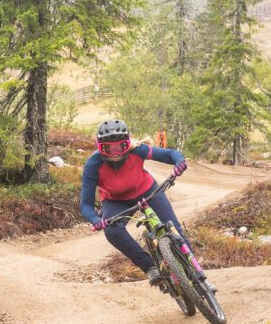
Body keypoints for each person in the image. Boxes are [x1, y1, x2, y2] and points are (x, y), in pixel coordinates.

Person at [80, 119, 189, 285]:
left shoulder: (137, 150)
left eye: (120, 147)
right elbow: (86, 205)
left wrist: (179, 161)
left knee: (174, 228)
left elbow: (169, 154)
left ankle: (195, 274)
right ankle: (150, 268)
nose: (115, 153)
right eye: (108, 148)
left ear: (127, 144)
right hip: (115, 200)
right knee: (112, 231)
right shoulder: (93, 165)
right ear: (99, 147)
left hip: (147, 191)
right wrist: (95, 220)